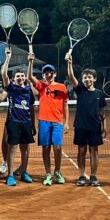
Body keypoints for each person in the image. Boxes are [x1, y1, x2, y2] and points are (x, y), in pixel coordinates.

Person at [65, 53, 107, 187]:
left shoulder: (99, 94)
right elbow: (71, 76)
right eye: (84, 77)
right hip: (81, 126)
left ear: (94, 78)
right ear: (82, 79)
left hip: (95, 127)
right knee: (81, 151)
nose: (87, 79)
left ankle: (93, 176)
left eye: (89, 77)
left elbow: (102, 113)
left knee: (94, 151)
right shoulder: (80, 90)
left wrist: (104, 128)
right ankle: (82, 175)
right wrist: (69, 63)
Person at [27, 54, 69, 185]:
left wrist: (67, 122)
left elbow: (65, 105)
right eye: (46, 73)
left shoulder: (62, 87)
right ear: (44, 75)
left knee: (57, 147)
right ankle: (48, 174)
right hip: (44, 121)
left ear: (55, 74)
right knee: (46, 148)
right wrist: (30, 62)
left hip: (57, 122)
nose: (48, 75)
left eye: (50, 72)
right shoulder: (41, 86)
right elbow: (30, 77)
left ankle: (57, 171)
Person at [1, 47, 36, 186]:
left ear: (25, 77)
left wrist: (33, 125)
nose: (20, 78)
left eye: (22, 75)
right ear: (14, 79)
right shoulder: (11, 88)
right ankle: (10, 175)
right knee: (12, 148)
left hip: (26, 123)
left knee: (25, 149)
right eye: (18, 76)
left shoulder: (28, 90)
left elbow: (31, 108)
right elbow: (4, 74)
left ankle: (24, 172)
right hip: (13, 122)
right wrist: (8, 58)